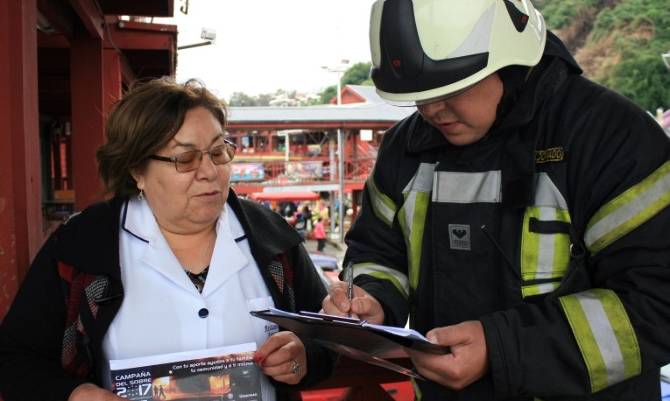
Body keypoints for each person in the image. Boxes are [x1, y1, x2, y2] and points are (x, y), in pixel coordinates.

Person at [322, 1, 670, 400]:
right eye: (418, 96)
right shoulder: (406, 148)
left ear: (511, 62)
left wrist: (501, 349)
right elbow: (378, 253)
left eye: (450, 88)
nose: (432, 110)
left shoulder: (609, 139)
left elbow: (657, 302)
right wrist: (371, 299)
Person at [0, 78, 334, 401]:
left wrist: (303, 357)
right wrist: (76, 394)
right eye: (185, 159)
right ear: (137, 170)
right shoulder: (84, 246)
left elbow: (329, 341)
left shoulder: (271, 238)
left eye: (218, 152)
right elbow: (15, 358)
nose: (209, 171)